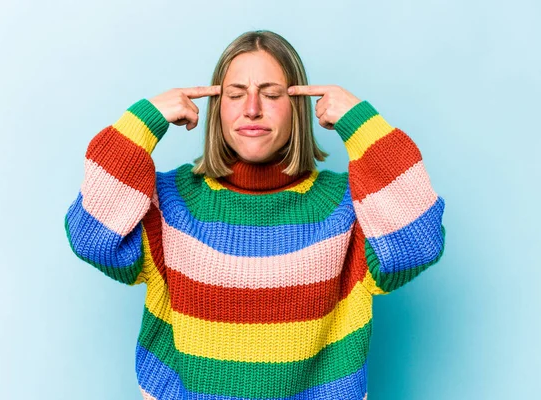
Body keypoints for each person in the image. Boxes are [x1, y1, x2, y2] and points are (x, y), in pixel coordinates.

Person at [64, 30, 446, 400]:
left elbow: (419, 243)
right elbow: (91, 237)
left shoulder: (347, 206)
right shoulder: (170, 203)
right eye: (235, 94)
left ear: (298, 106)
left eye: (271, 93)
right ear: (217, 107)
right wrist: (143, 119)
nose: (252, 109)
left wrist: (361, 122)